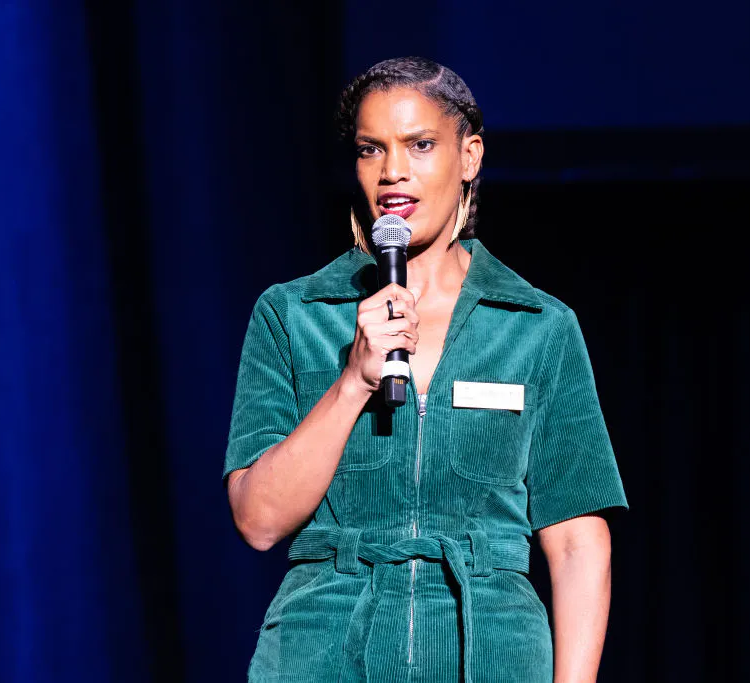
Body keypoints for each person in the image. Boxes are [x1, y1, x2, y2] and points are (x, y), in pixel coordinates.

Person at [224, 56, 628, 682]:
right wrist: (353, 381)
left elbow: (576, 543)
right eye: (370, 149)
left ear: (469, 157)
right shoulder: (293, 315)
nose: (392, 172)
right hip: (324, 653)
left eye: (419, 145)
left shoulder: (536, 327)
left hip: (490, 655)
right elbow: (257, 519)